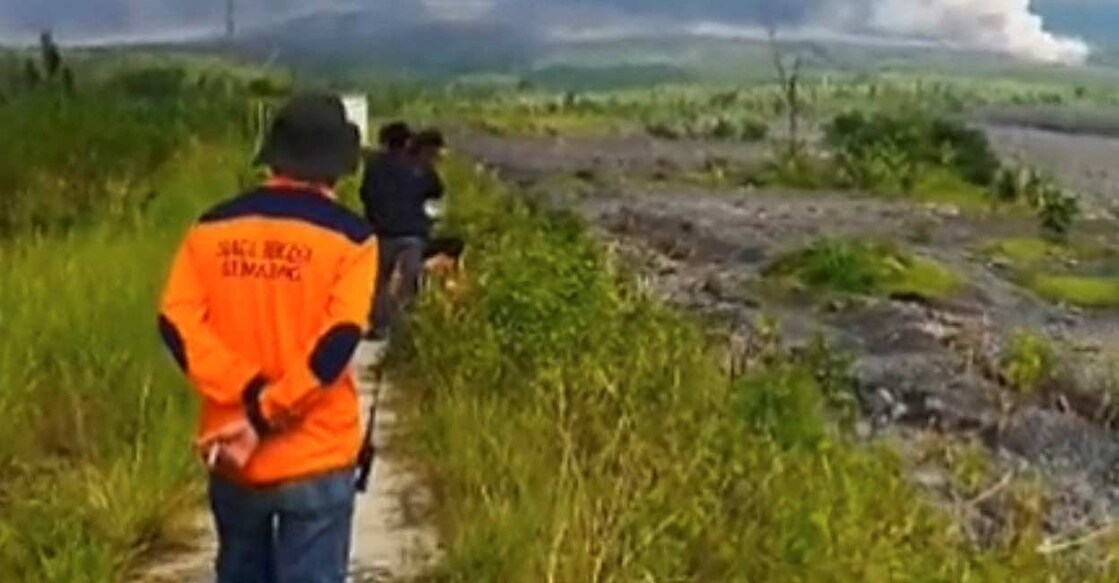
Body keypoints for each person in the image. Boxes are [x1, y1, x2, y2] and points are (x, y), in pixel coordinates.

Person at [157, 93, 377, 583]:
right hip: (316, 455)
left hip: (234, 452)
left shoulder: (211, 228)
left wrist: (246, 391)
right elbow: (337, 343)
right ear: (339, 167)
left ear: (273, 155)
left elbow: (176, 324)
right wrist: (269, 408)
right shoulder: (353, 239)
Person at [360, 124, 446, 345]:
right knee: (409, 280)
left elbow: (365, 194)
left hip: (382, 232)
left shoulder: (374, 164)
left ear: (384, 141)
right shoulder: (419, 165)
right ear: (407, 141)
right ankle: (404, 327)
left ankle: (379, 326)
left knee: (380, 280)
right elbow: (436, 190)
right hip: (413, 232)